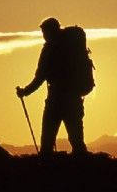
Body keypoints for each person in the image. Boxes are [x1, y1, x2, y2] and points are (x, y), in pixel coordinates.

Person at [16, 17, 88, 156]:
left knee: (47, 140)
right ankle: (82, 170)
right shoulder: (72, 47)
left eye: (44, 32)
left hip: (55, 100)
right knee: (77, 140)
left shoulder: (49, 50)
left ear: (50, 31)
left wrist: (25, 92)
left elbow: (40, 77)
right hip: (74, 99)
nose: (43, 36)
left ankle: (46, 170)